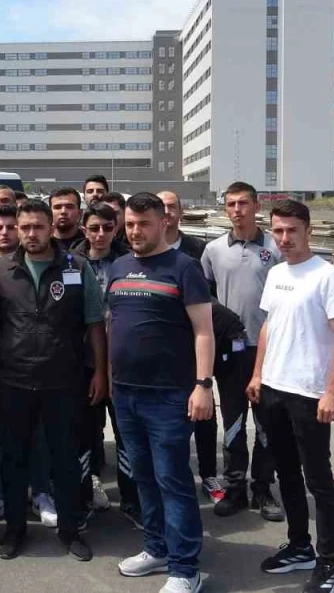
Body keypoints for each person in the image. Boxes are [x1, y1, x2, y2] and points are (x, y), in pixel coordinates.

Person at [108, 192, 215, 593]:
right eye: (130, 224)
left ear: (163, 223)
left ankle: (186, 569)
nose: (135, 231)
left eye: (144, 224)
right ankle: (156, 548)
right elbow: (112, 324)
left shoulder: (184, 268)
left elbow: (204, 331)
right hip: (126, 394)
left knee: (173, 479)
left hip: (169, 396)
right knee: (144, 477)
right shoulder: (119, 266)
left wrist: (203, 385)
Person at [249, 200, 334, 593]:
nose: (284, 238)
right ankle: (299, 546)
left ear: (308, 230)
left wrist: (332, 391)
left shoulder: (328, 276)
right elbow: (268, 327)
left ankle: (329, 563)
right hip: (273, 389)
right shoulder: (277, 273)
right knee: (286, 473)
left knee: (318, 480)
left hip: (309, 395)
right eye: (278, 231)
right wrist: (258, 374)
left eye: (292, 230)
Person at [0, 200, 104, 563]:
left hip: (64, 381)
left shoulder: (77, 266)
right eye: (24, 227)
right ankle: (14, 529)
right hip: (15, 379)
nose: (30, 234)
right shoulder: (2, 269)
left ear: (51, 227)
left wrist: (100, 371)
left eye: (38, 227)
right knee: (14, 459)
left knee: (65, 460)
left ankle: (70, 530)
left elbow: (94, 323)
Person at [199, 182, 284, 521]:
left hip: (268, 351)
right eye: (231, 204)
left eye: (243, 203)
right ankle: (235, 488)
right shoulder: (213, 250)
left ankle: (262, 488)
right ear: (225, 209)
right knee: (233, 422)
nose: (237, 210)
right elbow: (203, 297)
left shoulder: (275, 247)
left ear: (257, 206)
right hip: (231, 353)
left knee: (267, 423)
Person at [70, 203, 137, 524]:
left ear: (116, 229)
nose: (100, 234)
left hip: (124, 362)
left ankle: (132, 499)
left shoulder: (129, 263)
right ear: (84, 229)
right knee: (83, 435)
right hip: (83, 364)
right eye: (94, 228)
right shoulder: (69, 263)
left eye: (107, 228)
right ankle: (84, 495)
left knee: (126, 434)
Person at [157, 190, 220, 501]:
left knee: (203, 411)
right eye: (161, 207)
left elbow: (210, 298)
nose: (167, 212)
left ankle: (209, 474)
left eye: (172, 206)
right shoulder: (139, 249)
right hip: (160, 350)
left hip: (193, 344)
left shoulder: (198, 250)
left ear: (181, 212)